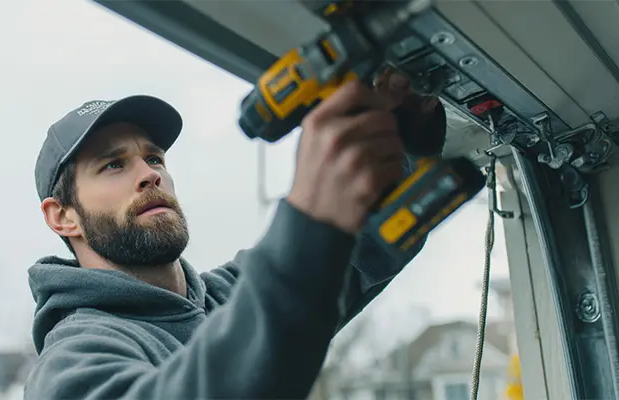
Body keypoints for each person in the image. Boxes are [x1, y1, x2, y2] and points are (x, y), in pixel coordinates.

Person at [24, 67, 446, 400]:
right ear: (63, 217)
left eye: (154, 158)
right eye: (113, 165)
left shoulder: (222, 301)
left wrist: (406, 137)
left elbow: (358, 248)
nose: (150, 175)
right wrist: (310, 218)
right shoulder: (73, 362)